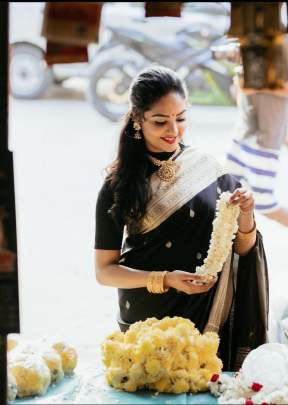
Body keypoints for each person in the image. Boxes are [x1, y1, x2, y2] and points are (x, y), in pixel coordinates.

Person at [94, 66, 269, 371]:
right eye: (161, 121)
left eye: (181, 118)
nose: (173, 129)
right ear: (138, 120)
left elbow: (243, 251)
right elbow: (105, 272)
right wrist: (165, 279)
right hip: (147, 322)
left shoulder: (208, 170)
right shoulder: (117, 185)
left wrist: (247, 216)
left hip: (209, 314)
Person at [225, 34, 288, 227]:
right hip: (244, 134)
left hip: (263, 141)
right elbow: (239, 90)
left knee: (262, 202)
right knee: (228, 193)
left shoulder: (280, 42)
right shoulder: (252, 34)